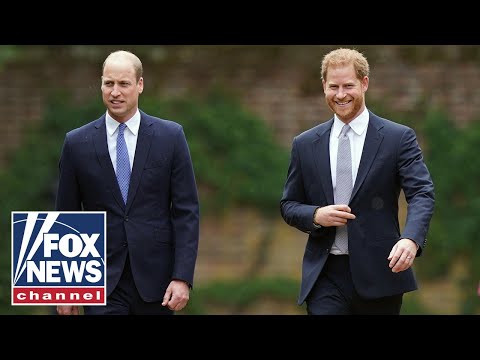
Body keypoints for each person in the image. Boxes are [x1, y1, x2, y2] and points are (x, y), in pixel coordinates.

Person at [280, 48, 435, 315]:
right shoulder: (304, 144)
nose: (340, 95)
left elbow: (422, 193)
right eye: (333, 87)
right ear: (324, 87)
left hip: (380, 273)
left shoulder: (398, 138)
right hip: (325, 275)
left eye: (348, 86)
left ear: (364, 83)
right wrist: (316, 214)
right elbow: (289, 205)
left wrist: (411, 239)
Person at [55, 50, 200, 315]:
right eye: (108, 83)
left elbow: (186, 212)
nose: (115, 92)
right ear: (100, 84)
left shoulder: (171, 137)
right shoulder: (76, 143)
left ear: (140, 85)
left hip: (158, 283)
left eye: (124, 83)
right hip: (99, 281)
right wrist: (66, 289)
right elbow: (66, 214)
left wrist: (182, 277)